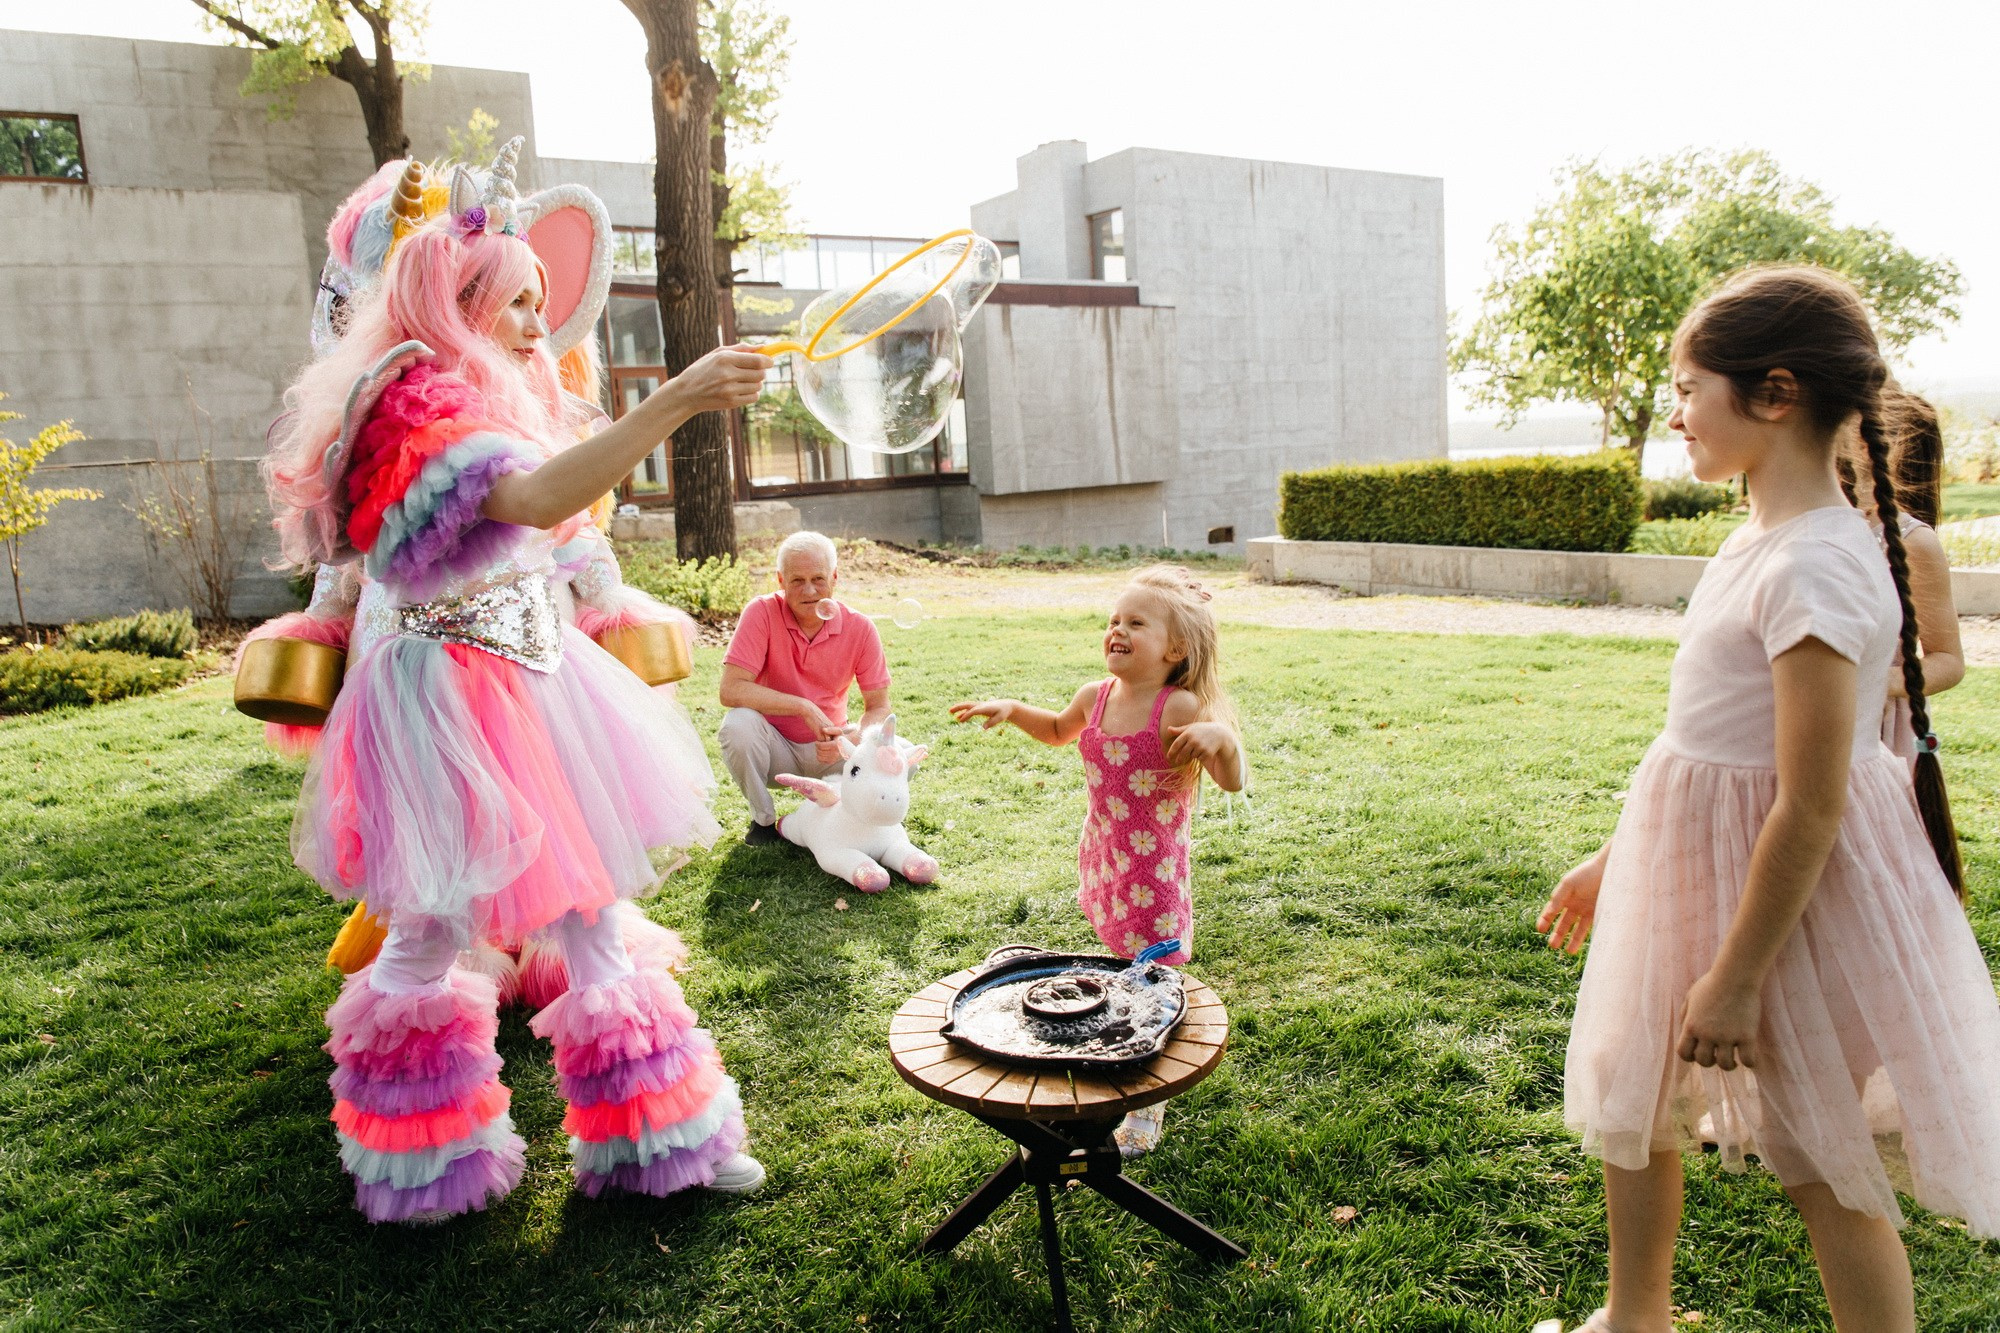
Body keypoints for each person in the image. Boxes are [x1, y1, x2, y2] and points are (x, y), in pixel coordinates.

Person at [261, 143, 774, 1222]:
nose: (541, 325)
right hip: (446, 700)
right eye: (517, 302)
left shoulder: (481, 394)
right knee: (433, 925)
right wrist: (672, 399)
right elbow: (537, 500)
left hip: (528, 681)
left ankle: (657, 1140)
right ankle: (422, 1161)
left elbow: (558, 528)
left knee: (587, 909)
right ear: (456, 301)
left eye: (544, 301)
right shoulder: (412, 407)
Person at [1537, 266, 2000, 1333]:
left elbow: (1808, 802)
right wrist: (1617, 857)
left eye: (1689, 387)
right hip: (1688, 859)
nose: (1675, 413)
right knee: (1630, 1079)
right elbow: (1694, 740)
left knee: (1812, 1147)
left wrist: (1737, 978)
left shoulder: (1817, 566)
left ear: (1775, 392)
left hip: (1777, 901)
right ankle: (1633, 1313)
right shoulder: (1752, 540)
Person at [949, 565, 1245, 1153]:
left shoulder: (1178, 706)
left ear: (1175, 648)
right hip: (1107, 856)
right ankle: (1123, 1040)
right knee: (1119, 959)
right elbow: (1060, 729)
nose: (1118, 629)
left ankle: (1148, 1096)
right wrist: (1015, 708)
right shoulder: (1096, 696)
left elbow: (1230, 781)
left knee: (1156, 976)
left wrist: (1225, 742)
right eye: (1114, 620)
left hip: (1154, 874)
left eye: (1137, 622)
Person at [718, 531, 890, 844]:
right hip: (774, 749)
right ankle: (764, 822)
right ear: (780, 580)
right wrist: (803, 706)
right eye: (797, 580)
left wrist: (854, 739)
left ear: (835, 578)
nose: (809, 590)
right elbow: (730, 690)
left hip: (832, 750)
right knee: (737, 725)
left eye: (818, 579)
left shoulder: (860, 627)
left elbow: (878, 705)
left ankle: (847, 812)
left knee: (896, 752)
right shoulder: (761, 612)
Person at [1837, 390, 1965, 766]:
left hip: (1876, 731)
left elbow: (1948, 659)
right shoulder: (1822, 523)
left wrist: (1877, 683)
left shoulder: (1912, 543)